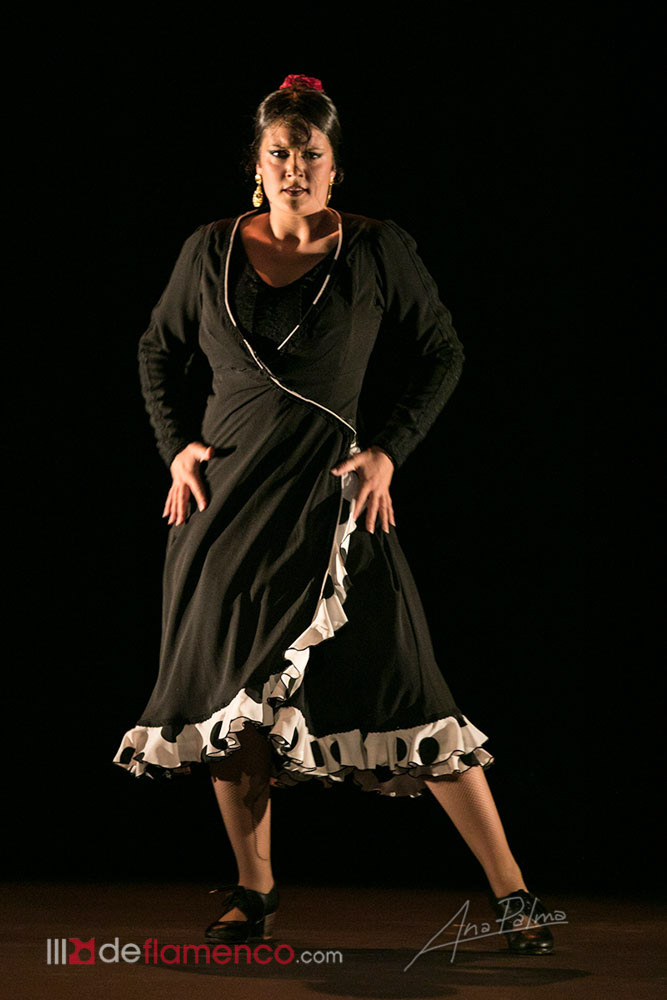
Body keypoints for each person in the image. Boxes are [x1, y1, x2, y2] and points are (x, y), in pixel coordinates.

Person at [113, 74, 555, 955]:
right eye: (278, 152)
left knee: (409, 691)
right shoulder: (208, 250)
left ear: (333, 166)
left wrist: (388, 450)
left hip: (331, 503)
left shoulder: (375, 249)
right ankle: (254, 892)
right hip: (225, 511)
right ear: (257, 164)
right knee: (231, 707)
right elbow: (157, 349)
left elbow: (442, 352)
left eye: (309, 153)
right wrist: (176, 447)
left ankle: (513, 894)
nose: (293, 167)